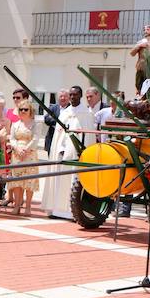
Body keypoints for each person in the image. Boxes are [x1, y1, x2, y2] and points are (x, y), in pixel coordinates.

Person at [41, 85, 95, 219]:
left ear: (80, 96)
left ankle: (72, 212)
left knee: (73, 181)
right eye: (70, 95)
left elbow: (88, 137)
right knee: (59, 179)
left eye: (75, 95)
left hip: (76, 155)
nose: (72, 97)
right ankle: (57, 210)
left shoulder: (86, 114)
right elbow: (58, 134)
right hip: (61, 152)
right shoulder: (65, 113)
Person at [8, 99, 38, 216]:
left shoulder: (35, 124)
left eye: (26, 109)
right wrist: (17, 148)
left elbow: (35, 139)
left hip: (30, 155)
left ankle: (28, 207)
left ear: (30, 111)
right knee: (17, 181)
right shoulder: (15, 125)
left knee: (29, 181)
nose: (23, 111)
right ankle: (16, 205)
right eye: (21, 109)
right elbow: (12, 138)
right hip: (16, 155)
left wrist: (26, 150)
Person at [130, 25, 150, 99]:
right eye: (144, 30)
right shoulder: (140, 43)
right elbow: (132, 53)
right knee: (139, 85)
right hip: (141, 68)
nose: (145, 31)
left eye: (147, 29)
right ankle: (140, 98)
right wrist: (139, 46)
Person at [44, 90, 69, 154]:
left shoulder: (71, 108)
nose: (63, 98)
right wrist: (60, 121)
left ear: (68, 98)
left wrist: (54, 119)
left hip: (65, 139)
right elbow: (46, 119)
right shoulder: (53, 107)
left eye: (65, 96)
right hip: (52, 137)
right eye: (61, 96)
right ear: (58, 98)